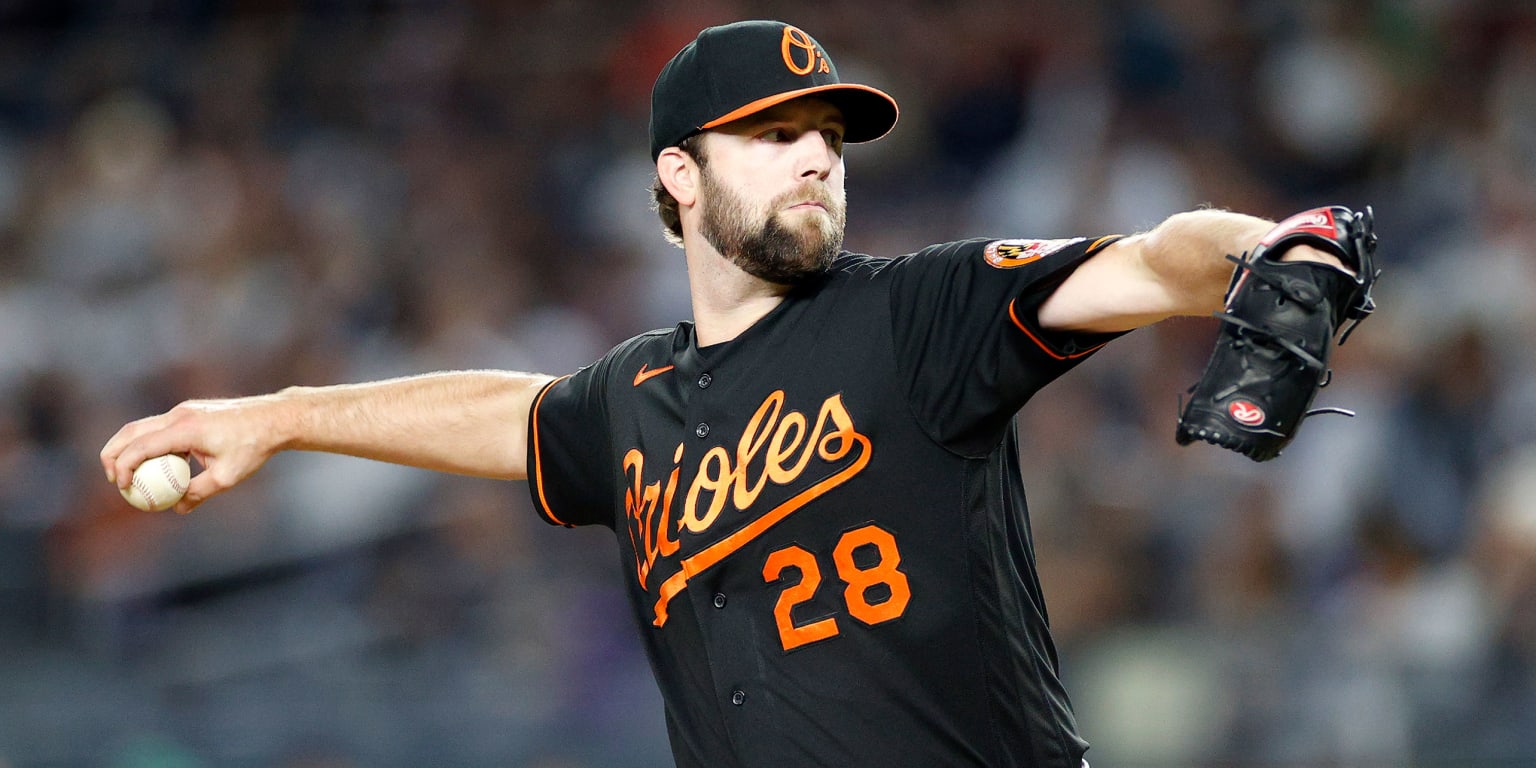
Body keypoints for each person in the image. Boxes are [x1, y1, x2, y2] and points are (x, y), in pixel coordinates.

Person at [102, 19, 1370, 768]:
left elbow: (1148, 260)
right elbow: (510, 413)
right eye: (773, 133)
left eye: (826, 135)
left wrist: (1276, 241)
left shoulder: (917, 313)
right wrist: (278, 415)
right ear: (680, 178)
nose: (817, 152)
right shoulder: (637, 400)